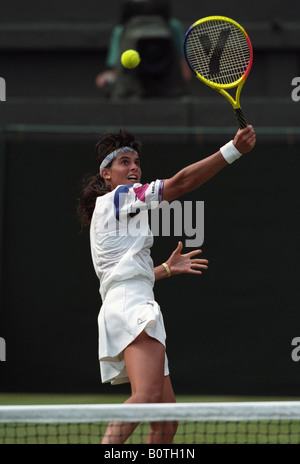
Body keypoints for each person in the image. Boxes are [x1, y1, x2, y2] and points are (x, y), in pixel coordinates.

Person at [77, 126, 256, 443]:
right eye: (124, 162)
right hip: (132, 307)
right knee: (143, 399)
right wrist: (233, 149)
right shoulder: (118, 198)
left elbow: (124, 272)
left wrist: (163, 269)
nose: (133, 167)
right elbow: (182, 183)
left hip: (124, 303)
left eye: (136, 161)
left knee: (166, 423)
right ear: (106, 174)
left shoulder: (112, 212)